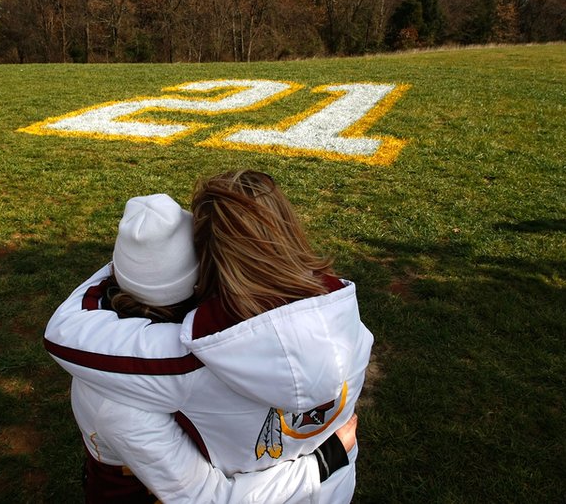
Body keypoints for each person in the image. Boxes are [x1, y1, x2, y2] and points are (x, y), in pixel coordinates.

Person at [45, 172, 374, 502]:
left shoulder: (170, 367)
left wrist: (131, 262)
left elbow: (207, 497)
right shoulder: (342, 312)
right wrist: (327, 461)